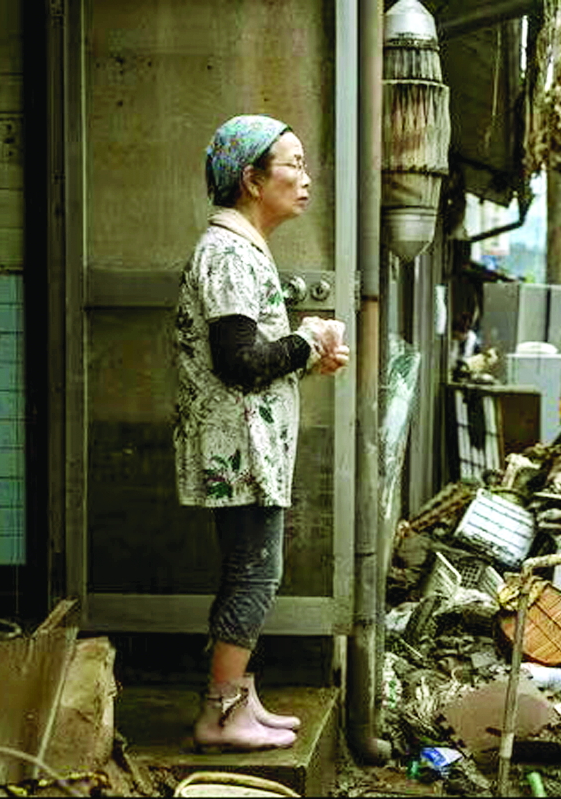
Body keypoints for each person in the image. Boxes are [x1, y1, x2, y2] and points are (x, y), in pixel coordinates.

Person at [174, 114, 351, 751]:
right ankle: (220, 715)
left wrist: (304, 347)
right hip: (238, 447)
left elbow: (249, 347)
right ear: (251, 179)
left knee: (253, 569)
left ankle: (240, 699)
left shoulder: (242, 248)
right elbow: (238, 362)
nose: (305, 179)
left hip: (250, 445)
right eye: (292, 165)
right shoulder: (226, 251)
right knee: (255, 573)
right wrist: (305, 341)